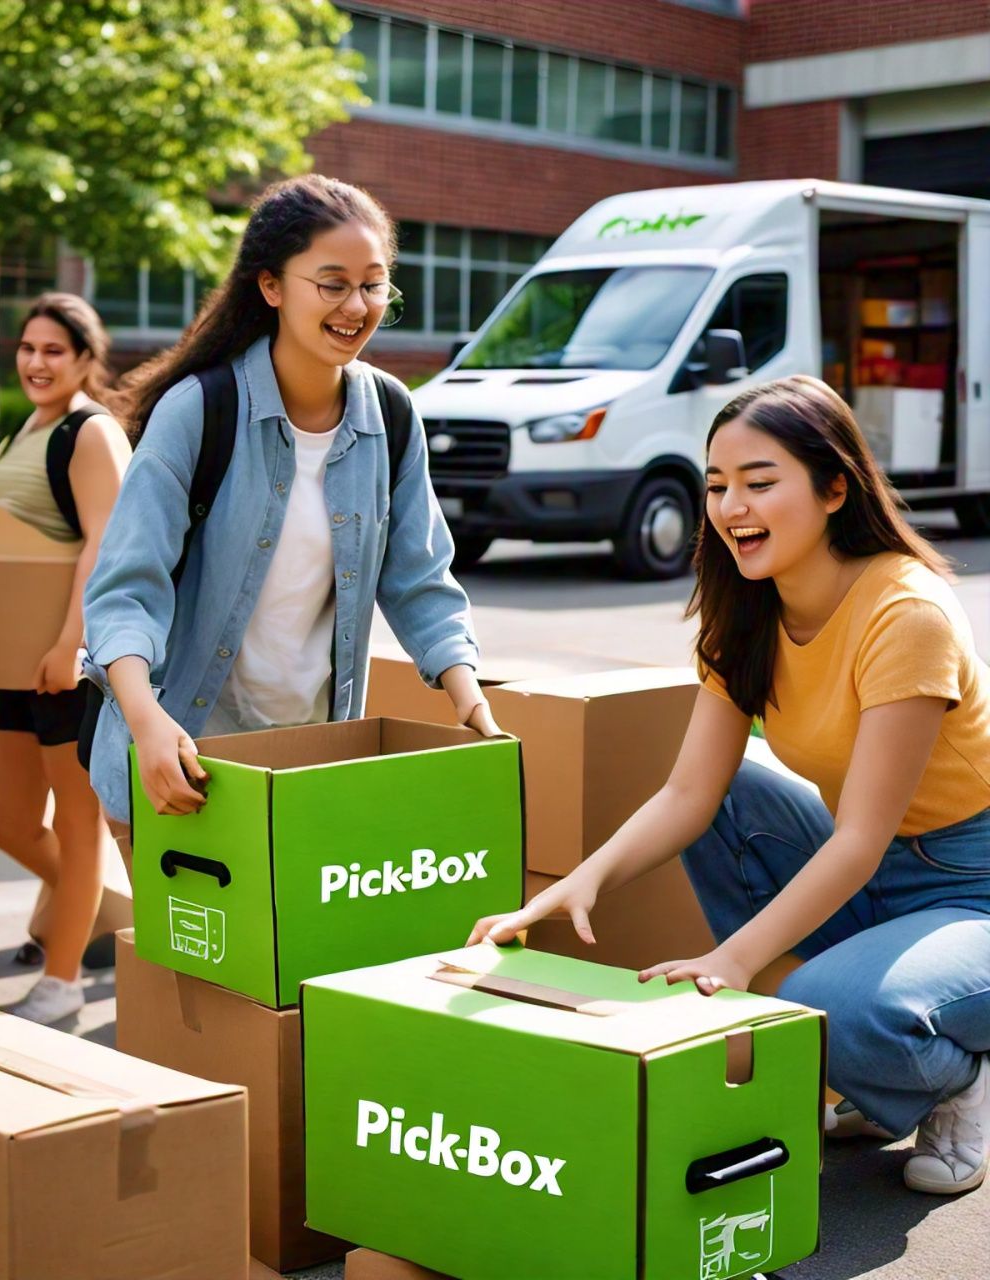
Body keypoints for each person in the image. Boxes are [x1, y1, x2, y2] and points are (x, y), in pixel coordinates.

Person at [469, 376, 990, 1196]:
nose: (730, 506)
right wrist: (572, 889)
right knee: (735, 798)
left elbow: (857, 839)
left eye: (759, 481)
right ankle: (867, 1063)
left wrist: (734, 960)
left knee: (831, 1004)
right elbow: (688, 795)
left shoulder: (906, 614)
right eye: (716, 485)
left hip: (972, 883)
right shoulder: (744, 614)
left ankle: (950, 1078)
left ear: (833, 489)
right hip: (875, 864)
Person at [83, 173, 498, 838]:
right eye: (332, 283)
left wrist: (469, 698)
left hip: (312, 764)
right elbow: (126, 593)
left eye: (372, 284)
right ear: (271, 286)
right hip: (183, 762)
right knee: (191, 947)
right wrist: (145, 723)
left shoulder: (390, 415)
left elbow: (419, 577)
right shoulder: (200, 411)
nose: (356, 305)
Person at [0, 293, 132, 1024]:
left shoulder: (90, 432)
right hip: (16, 661)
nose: (36, 362)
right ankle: (107, 906)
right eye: (28, 348)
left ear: (86, 360)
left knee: (75, 824)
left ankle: (62, 982)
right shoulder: (27, 429)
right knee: (5, 821)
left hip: (70, 662)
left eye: (54, 351)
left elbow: (104, 545)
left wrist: (72, 642)